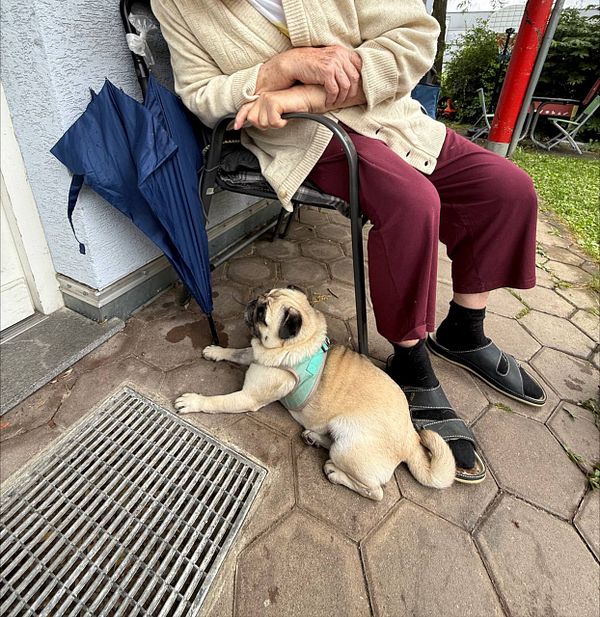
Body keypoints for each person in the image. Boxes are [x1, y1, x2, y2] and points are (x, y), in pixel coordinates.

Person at [151, 0, 547, 483]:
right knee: (412, 203)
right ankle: (408, 359)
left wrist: (325, 87)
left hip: (389, 114)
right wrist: (278, 70)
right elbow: (200, 93)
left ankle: (465, 330)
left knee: (507, 189)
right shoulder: (174, 4)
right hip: (309, 138)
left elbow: (416, 35)